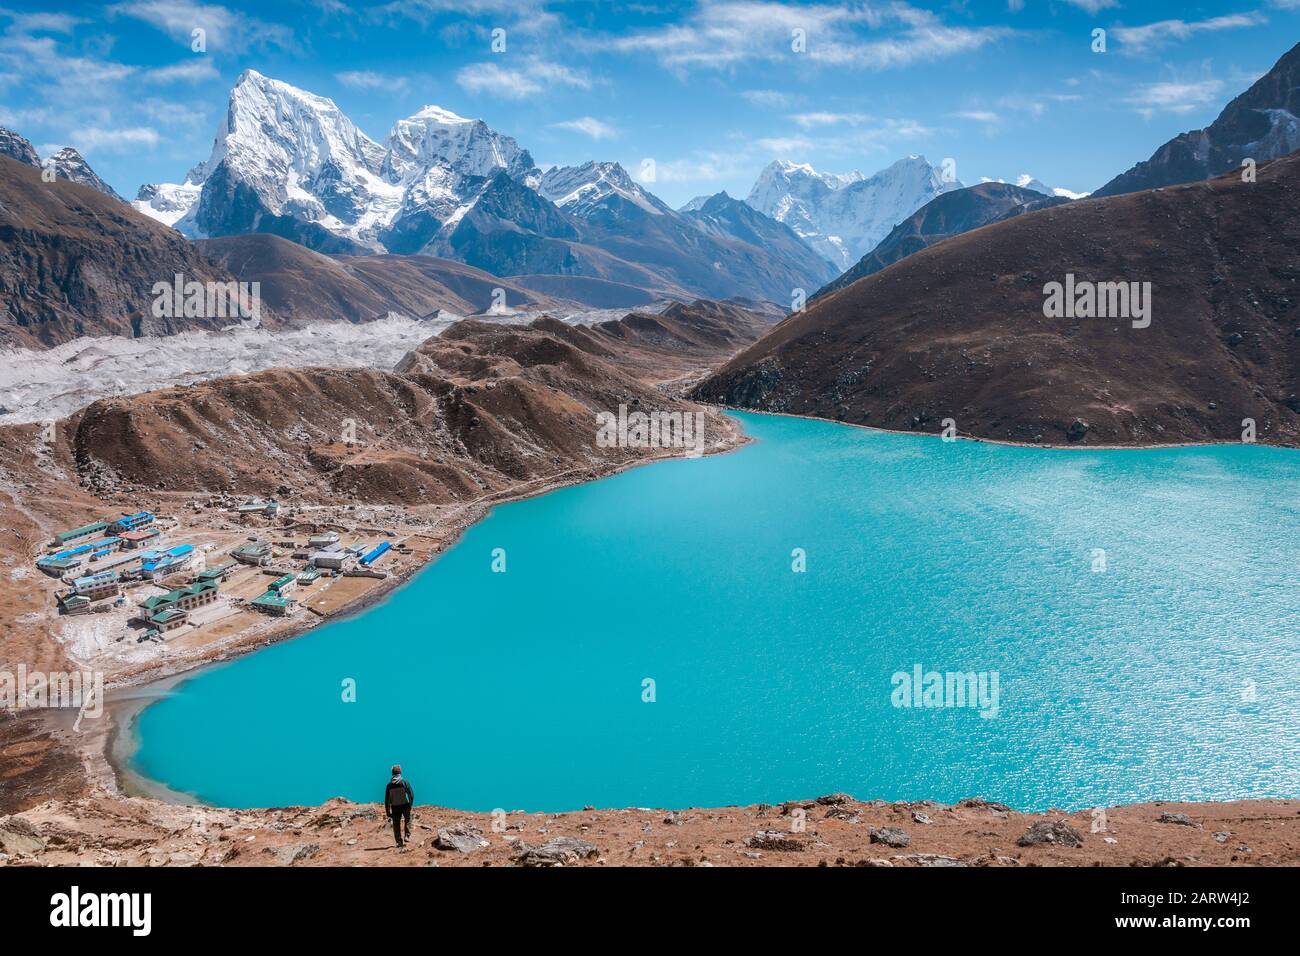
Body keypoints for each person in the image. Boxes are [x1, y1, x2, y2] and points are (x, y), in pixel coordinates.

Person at [384, 764, 414, 847]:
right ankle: (407, 836)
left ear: (392, 773)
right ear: (400, 772)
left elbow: (387, 800)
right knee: (408, 820)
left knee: (396, 824)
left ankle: (399, 841)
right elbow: (411, 794)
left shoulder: (389, 785)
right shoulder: (404, 782)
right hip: (405, 804)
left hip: (395, 806)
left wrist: (388, 811)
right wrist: (410, 804)